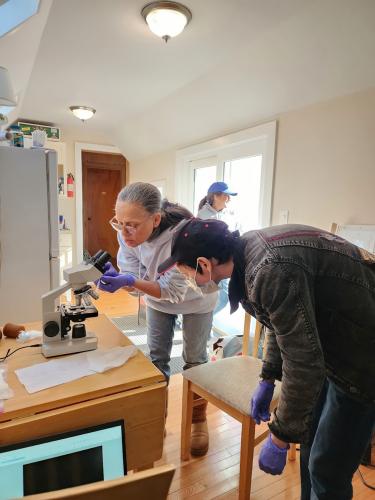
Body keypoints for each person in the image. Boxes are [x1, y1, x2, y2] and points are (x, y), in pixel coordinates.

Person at [157, 219, 375, 500]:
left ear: (204, 264)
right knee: (309, 445)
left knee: (326, 468)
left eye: (187, 273)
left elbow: (303, 362)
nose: (188, 281)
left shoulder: (270, 269)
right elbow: (279, 324)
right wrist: (268, 376)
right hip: (331, 346)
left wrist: (280, 435)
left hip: (362, 357)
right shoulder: (248, 252)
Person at [98, 182, 218, 456]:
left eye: (133, 225)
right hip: (159, 299)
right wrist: (121, 281)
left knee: (195, 359)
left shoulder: (184, 236)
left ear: (156, 219)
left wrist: (132, 281)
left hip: (196, 300)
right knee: (156, 360)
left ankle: (198, 419)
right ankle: (155, 419)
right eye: (120, 222)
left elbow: (171, 291)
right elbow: (135, 280)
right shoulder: (126, 233)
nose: (125, 232)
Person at [197, 181, 238, 316]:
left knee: (218, 298)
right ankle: (201, 320)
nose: (229, 199)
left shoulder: (217, 214)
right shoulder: (205, 216)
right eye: (226, 196)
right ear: (215, 196)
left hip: (220, 263)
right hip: (213, 265)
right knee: (222, 298)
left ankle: (204, 324)